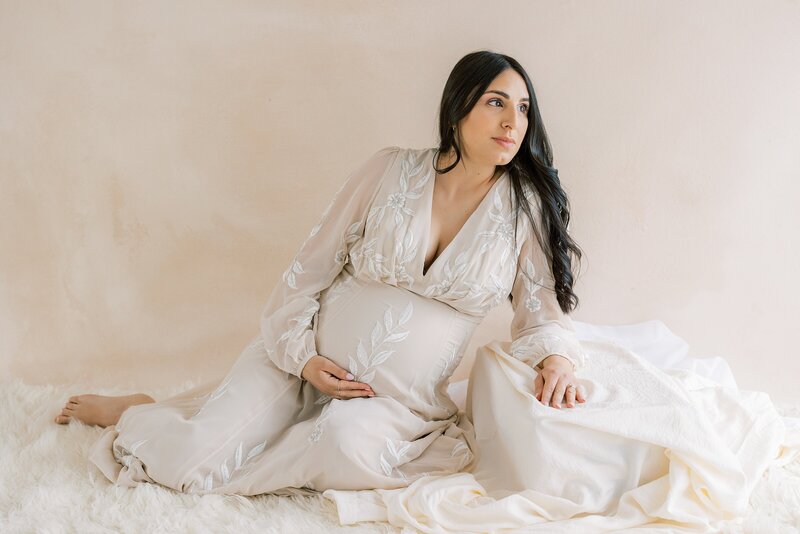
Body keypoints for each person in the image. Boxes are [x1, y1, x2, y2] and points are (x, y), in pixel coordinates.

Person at [54, 50, 790, 532]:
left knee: (346, 453)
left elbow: (540, 307)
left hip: (394, 403)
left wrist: (558, 360)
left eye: (525, 109)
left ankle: (232, 423)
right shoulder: (389, 171)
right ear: (460, 106)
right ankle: (153, 414)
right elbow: (303, 273)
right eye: (498, 103)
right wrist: (305, 359)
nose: (514, 121)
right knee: (185, 465)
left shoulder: (524, 207)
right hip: (301, 358)